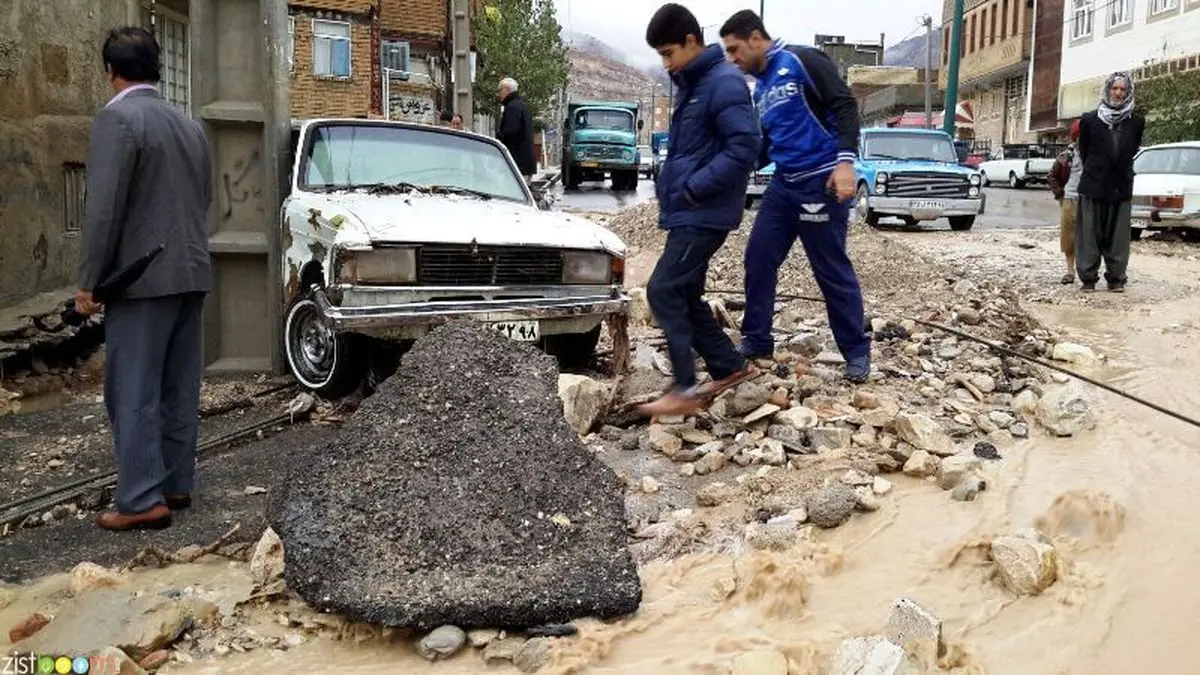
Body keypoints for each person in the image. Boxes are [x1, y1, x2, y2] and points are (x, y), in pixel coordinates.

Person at [76, 27, 214, 531]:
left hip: (141, 279)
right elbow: (202, 199)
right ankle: (176, 484)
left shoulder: (118, 120)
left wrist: (89, 281)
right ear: (156, 68)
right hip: (190, 270)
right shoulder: (189, 125)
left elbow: (104, 211)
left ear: (110, 70)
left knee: (133, 389)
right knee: (178, 384)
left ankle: (139, 499)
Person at [720, 10, 872, 383]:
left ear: (756, 38)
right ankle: (757, 339)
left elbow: (844, 105)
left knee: (830, 269)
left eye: (736, 49)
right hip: (784, 186)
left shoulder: (802, 60)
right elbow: (769, 145)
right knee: (758, 256)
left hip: (821, 183)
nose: (733, 59)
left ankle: (856, 352)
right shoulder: (764, 87)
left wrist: (845, 163)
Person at [637, 3, 761, 417]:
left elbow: (745, 147)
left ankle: (685, 388)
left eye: (669, 53)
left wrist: (694, 187)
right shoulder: (697, 82)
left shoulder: (722, 82)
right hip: (693, 211)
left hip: (704, 212)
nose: (667, 63)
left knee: (663, 289)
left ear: (692, 41)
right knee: (685, 293)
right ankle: (728, 365)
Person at [1075, 72, 1144, 293]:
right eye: (1115, 88)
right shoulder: (1089, 119)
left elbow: (1132, 151)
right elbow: (1084, 152)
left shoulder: (1137, 121)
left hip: (1120, 186)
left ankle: (1116, 279)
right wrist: (1098, 171)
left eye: (1123, 90)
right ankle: (1088, 279)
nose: (1118, 93)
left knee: (1118, 238)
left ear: (1128, 92)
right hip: (1093, 186)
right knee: (1089, 236)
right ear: (1107, 90)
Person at [1047, 120, 1083, 285]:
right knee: (1068, 236)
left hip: (1088, 200)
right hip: (1069, 199)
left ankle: (1087, 271)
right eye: (1079, 136)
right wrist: (1060, 194)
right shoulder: (1065, 157)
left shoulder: (1096, 155)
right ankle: (1070, 271)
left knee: (1087, 237)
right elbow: (1051, 176)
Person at [496, 77, 537, 179]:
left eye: (500, 90)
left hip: (517, 163)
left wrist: (498, 136)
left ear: (507, 90)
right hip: (524, 162)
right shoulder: (520, 105)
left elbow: (510, 131)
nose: (498, 94)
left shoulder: (512, 107)